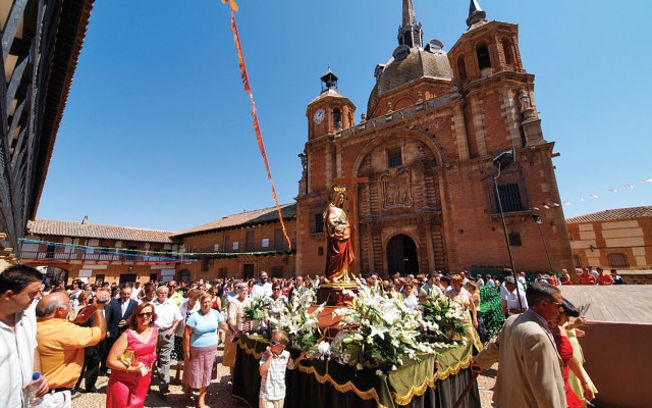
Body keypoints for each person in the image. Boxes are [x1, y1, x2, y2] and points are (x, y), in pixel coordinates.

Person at [474, 282, 566, 407]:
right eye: (558, 305)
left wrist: (479, 362)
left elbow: (496, 346)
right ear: (543, 304)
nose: (561, 310)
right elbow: (544, 386)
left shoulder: (512, 320)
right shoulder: (536, 336)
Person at [35, 291, 106, 406]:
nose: (71, 306)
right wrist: (99, 309)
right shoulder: (64, 330)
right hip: (52, 397)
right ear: (60, 310)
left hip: (37, 392)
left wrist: (77, 321)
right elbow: (100, 333)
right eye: (69, 304)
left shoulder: (34, 325)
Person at [0, 265, 49, 408]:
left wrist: (38, 374)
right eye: (33, 293)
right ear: (8, 295)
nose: (39, 297)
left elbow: (32, 347)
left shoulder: (27, 316)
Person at [105, 302, 158, 408]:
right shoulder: (127, 335)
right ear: (135, 317)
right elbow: (110, 361)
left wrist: (149, 371)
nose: (145, 316)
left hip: (142, 379)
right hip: (123, 379)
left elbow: (152, 353)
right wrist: (131, 369)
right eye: (141, 314)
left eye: (148, 313)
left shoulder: (155, 331)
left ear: (152, 316)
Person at [183, 293, 230, 407]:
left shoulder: (215, 314)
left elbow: (223, 325)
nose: (207, 304)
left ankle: (201, 400)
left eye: (209, 302)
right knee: (193, 372)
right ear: (201, 303)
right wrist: (187, 351)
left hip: (211, 350)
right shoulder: (194, 316)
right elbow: (186, 334)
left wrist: (235, 333)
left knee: (206, 374)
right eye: (205, 302)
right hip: (196, 350)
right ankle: (188, 390)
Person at [549, 298, 596, 407]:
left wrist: (584, 383)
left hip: (564, 386)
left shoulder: (561, 330)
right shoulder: (541, 331)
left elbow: (570, 358)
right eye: (566, 316)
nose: (567, 320)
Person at [259, 329, 305, 408]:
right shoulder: (266, 354)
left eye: (274, 343)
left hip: (280, 395)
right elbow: (261, 372)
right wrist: (270, 357)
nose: (271, 344)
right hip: (266, 396)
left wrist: (300, 358)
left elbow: (291, 366)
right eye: (271, 341)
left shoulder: (287, 355)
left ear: (282, 346)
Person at [77, 289, 112, 393]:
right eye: (102, 297)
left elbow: (110, 322)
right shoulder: (87, 309)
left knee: (95, 364)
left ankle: (90, 386)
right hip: (89, 340)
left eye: (107, 297)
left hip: (101, 342)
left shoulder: (109, 309)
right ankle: (75, 385)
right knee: (82, 364)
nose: (105, 299)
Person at [152, 285, 182, 396]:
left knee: (164, 359)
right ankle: (147, 382)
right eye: (161, 292)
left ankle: (164, 386)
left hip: (167, 332)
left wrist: (173, 329)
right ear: (157, 293)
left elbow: (177, 319)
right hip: (154, 332)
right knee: (151, 358)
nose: (163, 294)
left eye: (165, 292)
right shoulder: (152, 304)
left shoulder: (172, 304)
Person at [104, 284, 138, 376]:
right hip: (113, 330)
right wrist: (107, 329)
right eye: (124, 294)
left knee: (122, 351)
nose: (126, 296)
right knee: (109, 350)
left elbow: (134, 317)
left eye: (128, 294)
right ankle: (104, 369)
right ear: (120, 294)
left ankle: (118, 368)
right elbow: (108, 317)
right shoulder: (114, 302)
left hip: (125, 332)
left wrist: (127, 322)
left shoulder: (134, 304)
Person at [323, 187, 355, 282]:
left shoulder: (341, 211)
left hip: (344, 236)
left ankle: (342, 276)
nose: (341, 200)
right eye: (340, 197)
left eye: (342, 198)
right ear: (336, 198)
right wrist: (337, 226)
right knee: (338, 254)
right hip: (336, 237)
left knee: (344, 257)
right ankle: (333, 275)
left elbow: (345, 222)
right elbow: (329, 220)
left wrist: (348, 226)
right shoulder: (332, 209)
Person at [445, 273, 482, 351]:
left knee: (470, 338)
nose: (454, 284)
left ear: (460, 282)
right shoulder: (449, 293)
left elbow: (473, 306)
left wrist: (475, 319)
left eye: (456, 282)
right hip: (455, 320)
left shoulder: (466, 293)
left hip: (466, 319)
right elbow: (445, 306)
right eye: (452, 282)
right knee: (457, 339)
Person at [172, 288, 202, 384]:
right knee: (180, 355)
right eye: (192, 299)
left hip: (194, 335)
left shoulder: (198, 307)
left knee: (191, 356)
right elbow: (178, 318)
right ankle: (177, 374)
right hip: (181, 333)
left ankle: (189, 377)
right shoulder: (183, 305)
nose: (194, 302)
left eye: (196, 300)